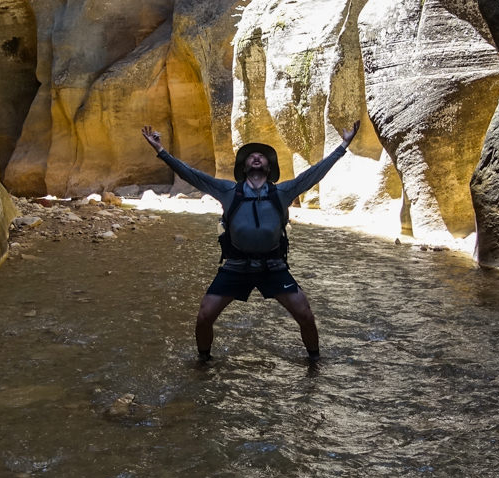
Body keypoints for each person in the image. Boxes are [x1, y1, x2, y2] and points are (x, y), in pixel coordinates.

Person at [140, 120, 359, 361]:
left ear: (269, 165)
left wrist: (343, 145)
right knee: (204, 316)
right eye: (251, 156)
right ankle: (204, 363)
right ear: (244, 167)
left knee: (305, 314)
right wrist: (160, 151)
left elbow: (315, 173)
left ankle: (315, 362)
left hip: (273, 267)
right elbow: (191, 175)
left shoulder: (283, 192)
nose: (256, 158)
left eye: (262, 156)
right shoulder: (227, 190)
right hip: (236, 267)